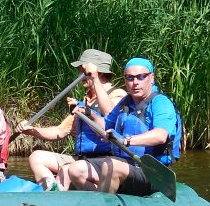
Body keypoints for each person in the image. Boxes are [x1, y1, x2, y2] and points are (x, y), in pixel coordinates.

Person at [59, 57, 183, 196]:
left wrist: (126, 140)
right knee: (75, 169)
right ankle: (101, 201)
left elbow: (160, 136)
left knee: (112, 166)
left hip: (153, 172)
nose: (135, 82)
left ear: (151, 78)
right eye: (130, 78)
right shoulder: (125, 102)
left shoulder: (161, 102)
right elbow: (105, 125)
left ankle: (103, 204)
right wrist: (89, 113)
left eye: (141, 77)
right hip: (126, 163)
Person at [15, 49, 127, 191]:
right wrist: (31, 130)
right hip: (81, 159)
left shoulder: (117, 95)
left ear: (98, 73)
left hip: (105, 161)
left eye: (83, 72)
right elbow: (60, 131)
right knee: (36, 157)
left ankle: (95, 197)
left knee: (67, 170)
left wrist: (90, 106)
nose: (80, 76)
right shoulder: (86, 100)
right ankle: (52, 192)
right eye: (80, 72)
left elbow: (110, 115)